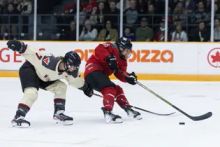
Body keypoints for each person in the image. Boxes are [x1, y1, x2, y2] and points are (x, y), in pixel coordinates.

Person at [6, 40, 93, 127]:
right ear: (66, 63)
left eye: (76, 67)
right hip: (30, 70)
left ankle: (59, 113)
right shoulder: (47, 61)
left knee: (61, 86)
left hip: (44, 77)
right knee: (32, 93)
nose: (74, 69)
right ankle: (18, 117)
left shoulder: (68, 71)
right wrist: (20, 46)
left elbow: (75, 80)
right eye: (73, 66)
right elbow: (32, 52)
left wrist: (85, 87)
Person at [84, 36, 142, 123]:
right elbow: (99, 49)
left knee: (117, 89)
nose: (128, 53)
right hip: (92, 71)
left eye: (129, 51)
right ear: (121, 47)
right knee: (109, 88)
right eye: (126, 50)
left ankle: (127, 108)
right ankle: (108, 112)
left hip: (101, 76)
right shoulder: (111, 47)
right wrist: (108, 58)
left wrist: (128, 78)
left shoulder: (122, 61)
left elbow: (120, 73)